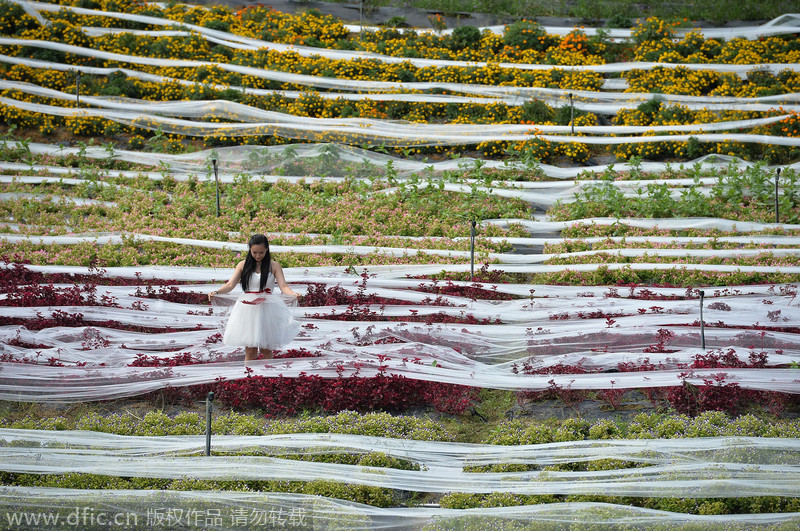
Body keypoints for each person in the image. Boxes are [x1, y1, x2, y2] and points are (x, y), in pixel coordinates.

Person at [208, 234, 301, 362]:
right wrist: (216, 292)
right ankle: (250, 377)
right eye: (254, 252)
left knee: (266, 349)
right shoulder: (242, 265)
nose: (258, 255)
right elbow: (230, 285)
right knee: (250, 349)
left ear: (267, 249)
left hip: (268, 308)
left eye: (261, 252)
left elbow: (283, 286)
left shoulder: (274, 266)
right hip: (247, 308)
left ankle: (268, 377)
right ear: (249, 250)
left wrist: (293, 294)